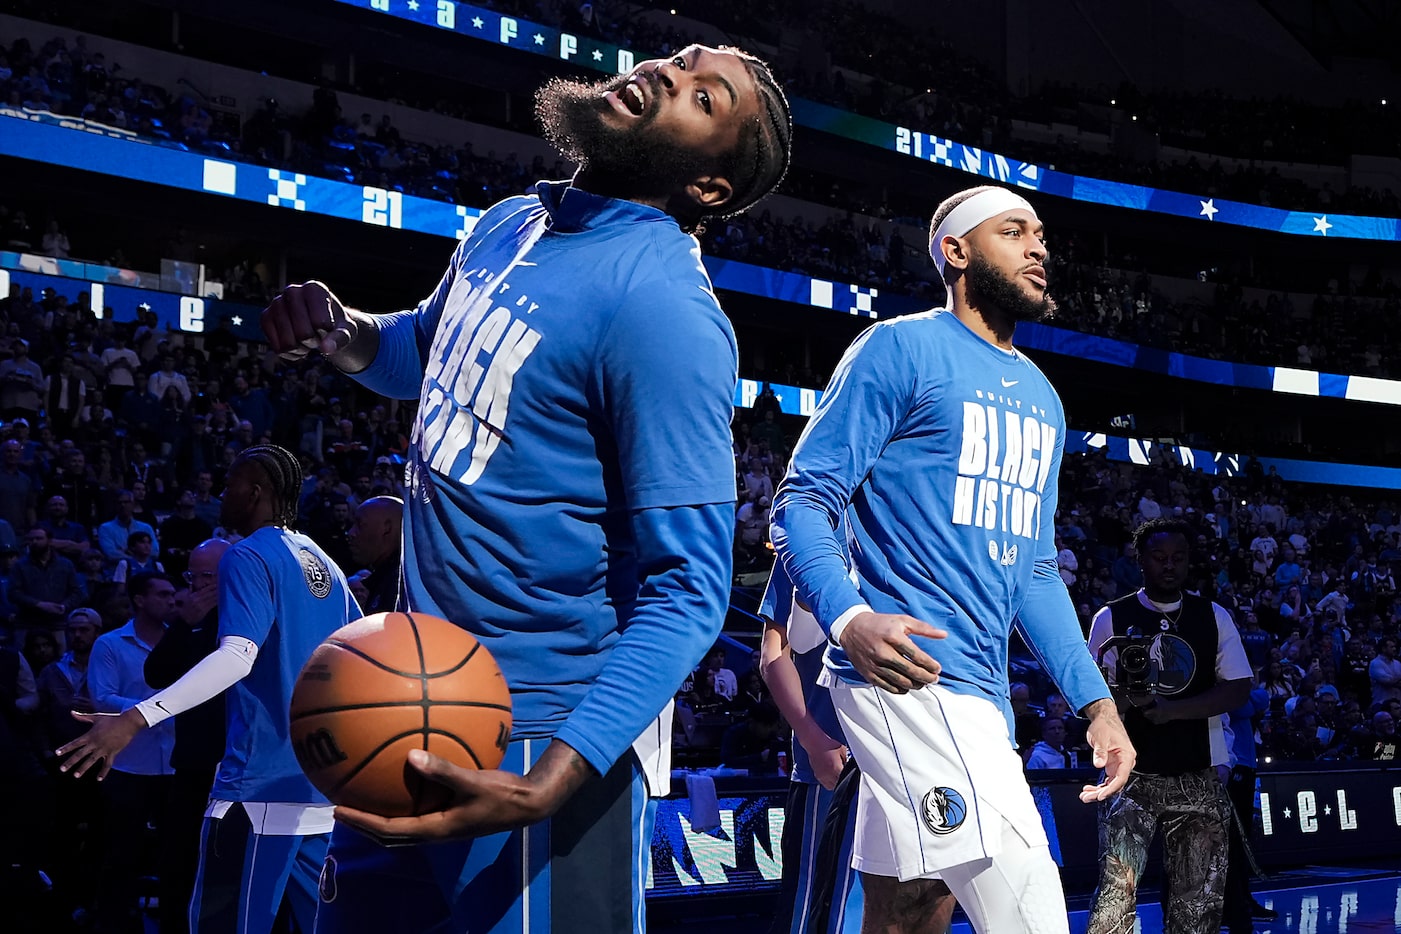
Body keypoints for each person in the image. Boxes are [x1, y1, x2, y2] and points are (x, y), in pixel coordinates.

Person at [259, 42, 791, 934]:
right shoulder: (510, 220)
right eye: (677, 59)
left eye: (703, 97)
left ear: (708, 187)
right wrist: (342, 335)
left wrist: (552, 780)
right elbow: (423, 353)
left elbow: (691, 593)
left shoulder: (666, 310)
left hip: (537, 739)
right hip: (403, 706)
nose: (666, 73)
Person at [770, 185, 1133, 934]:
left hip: (981, 692)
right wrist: (848, 619)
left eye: (1040, 234)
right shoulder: (898, 346)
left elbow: (1035, 569)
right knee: (1032, 915)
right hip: (910, 678)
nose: (1038, 248)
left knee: (908, 910)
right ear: (955, 251)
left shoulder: (1040, 394)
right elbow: (802, 500)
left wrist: (1095, 703)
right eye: (1013, 232)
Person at [59, 446, 361, 934]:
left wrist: (135, 718)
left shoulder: (247, 554)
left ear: (256, 491)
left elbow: (237, 656)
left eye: (230, 485)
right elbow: (361, 657)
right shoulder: (325, 560)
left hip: (258, 786)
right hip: (321, 786)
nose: (222, 494)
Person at [1085, 518, 1254, 934]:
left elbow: (1238, 688)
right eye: (1159, 558)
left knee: (1197, 906)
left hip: (1199, 773)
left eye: (1178, 558)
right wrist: (1127, 699)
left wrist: (1172, 709)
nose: (1169, 566)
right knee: (1114, 896)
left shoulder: (1213, 616)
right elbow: (1087, 695)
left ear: (1188, 562)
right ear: (1140, 561)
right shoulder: (1111, 617)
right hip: (1129, 778)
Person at [758, 565, 882, 934]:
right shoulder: (806, 538)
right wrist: (813, 740)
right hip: (832, 766)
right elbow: (772, 654)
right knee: (815, 910)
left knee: (908, 909)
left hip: (911, 761)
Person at [143, 537, 231, 934]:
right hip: (194, 763)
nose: (194, 585)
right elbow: (156, 674)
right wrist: (183, 624)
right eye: (191, 576)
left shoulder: (247, 614)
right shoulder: (188, 621)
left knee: (227, 868)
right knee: (177, 862)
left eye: (204, 577)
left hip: (235, 766)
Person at [83, 571, 178, 934]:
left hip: (176, 766)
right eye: (163, 594)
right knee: (122, 854)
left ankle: (174, 923)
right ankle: (114, 924)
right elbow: (102, 698)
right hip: (127, 764)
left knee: (176, 855)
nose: (172, 600)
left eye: (174, 594)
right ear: (139, 599)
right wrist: (158, 707)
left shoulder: (182, 642)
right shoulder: (110, 644)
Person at [345, 495, 403, 614]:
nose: (350, 533)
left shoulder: (401, 588)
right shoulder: (387, 580)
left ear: (387, 529)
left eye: (360, 525)